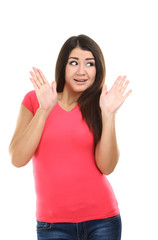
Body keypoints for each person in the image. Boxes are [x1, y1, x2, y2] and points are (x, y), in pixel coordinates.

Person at [9, 34, 132, 240]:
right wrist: (44, 111)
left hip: (102, 221)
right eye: (74, 62)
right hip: (53, 226)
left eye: (89, 64)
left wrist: (109, 116)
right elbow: (17, 158)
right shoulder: (35, 99)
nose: (81, 71)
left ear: (97, 69)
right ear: (62, 65)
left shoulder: (100, 105)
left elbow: (107, 167)